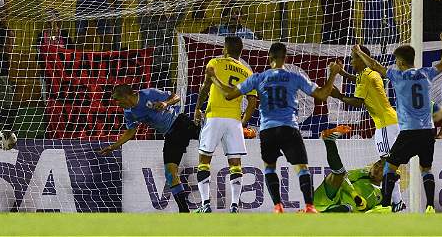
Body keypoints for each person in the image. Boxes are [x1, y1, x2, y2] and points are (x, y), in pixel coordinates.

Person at [208, 42, 341, 213]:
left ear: (269, 57)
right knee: (302, 168)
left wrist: (213, 78)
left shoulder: (258, 77)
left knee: (270, 167)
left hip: (268, 130)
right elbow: (322, 95)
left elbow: (228, 94)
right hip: (289, 128)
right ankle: (309, 206)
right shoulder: (295, 77)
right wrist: (333, 74)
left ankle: (278, 206)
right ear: (285, 57)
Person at [352, 32, 442, 213]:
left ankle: (385, 206)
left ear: (402, 62)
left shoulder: (398, 76)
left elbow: (374, 65)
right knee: (426, 168)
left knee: (390, 166)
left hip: (409, 132)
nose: (395, 63)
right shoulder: (425, 73)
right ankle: (430, 207)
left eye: (397, 60)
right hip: (427, 130)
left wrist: (359, 51)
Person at [99, 85, 199, 213]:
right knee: (170, 173)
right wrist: (114, 146)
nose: (117, 104)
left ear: (127, 96)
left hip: (181, 123)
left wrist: (165, 103)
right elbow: (130, 131)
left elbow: (176, 97)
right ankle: (184, 211)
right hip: (170, 135)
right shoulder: (129, 113)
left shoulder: (149, 94)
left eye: (118, 100)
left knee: (211, 142)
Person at [330, 45, 406, 212]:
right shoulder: (369, 74)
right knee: (388, 164)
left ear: (361, 58)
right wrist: (343, 74)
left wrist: (339, 96)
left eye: (353, 58)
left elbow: (358, 102)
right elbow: (357, 79)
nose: (351, 62)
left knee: (387, 164)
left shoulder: (365, 76)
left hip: (386, 124)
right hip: (386, 123)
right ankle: (396, 202)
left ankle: (395, 203)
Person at [193, 36, 258, 213]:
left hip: (214, 116)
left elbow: (206, 86)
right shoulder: (247, 72)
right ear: (241, 51)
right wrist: (242, 122)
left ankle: (205, 204)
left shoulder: (215, 62)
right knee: (235, 163)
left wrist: (197, 108)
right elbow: (252, 102)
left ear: (224, 49)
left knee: (204, 161)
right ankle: (235, 206)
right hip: (234, 120)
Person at [314, 125, 383, 213]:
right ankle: (329, 141)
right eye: (376, 165)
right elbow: (343, 179)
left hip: (339, 214)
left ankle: (314, 215)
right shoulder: (361, 173)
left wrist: (363, 208)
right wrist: (354, 195)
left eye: (381, 169)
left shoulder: (380, 195)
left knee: (348, 208)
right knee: (339, 174)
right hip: (326, 199)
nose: (377, 169)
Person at [138, 0, 188, 89]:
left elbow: (181, 11)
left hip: (164, 65)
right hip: (148, 65)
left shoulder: (169, 23)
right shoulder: (146, 22)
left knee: (164, 91)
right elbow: (141, 9)